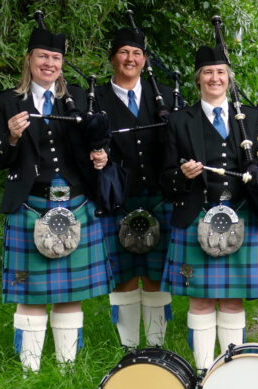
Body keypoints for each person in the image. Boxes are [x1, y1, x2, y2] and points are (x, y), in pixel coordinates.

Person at [0, 25, 112, 372]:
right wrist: (11, 137)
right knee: (31, 296)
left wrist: (101, 157)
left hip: (76, 202)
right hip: (30, 204)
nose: (49, 63)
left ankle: (66, 370)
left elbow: (99, 143)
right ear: (29, 60)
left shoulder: (77, 98)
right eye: (43, 56)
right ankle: (30, 373)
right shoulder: (8, 101)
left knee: (70, 295)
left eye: (56, 58)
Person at [160, 46, 258, 372]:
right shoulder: (178, 121)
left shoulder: (250, 117)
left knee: (232, 299)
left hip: (241, 214)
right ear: (198, 79)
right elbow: (164, 177)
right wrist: (181, 175)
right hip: (197, 214)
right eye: (208, 72)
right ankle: (204, 372)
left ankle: (231, 370)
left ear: (229, 78)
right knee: (200, 300)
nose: (214, 78)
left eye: (220, 72)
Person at [96, 27, 175, 350]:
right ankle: (129, 349)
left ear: (144, 60)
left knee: (156, 276)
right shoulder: (95, 99)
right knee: (124, 276)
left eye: (137, 53)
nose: (130, 59)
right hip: (117, 198)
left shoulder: (166, 97)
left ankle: (155, 348)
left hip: (160, 196)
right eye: (124, 52)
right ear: (113, 57)